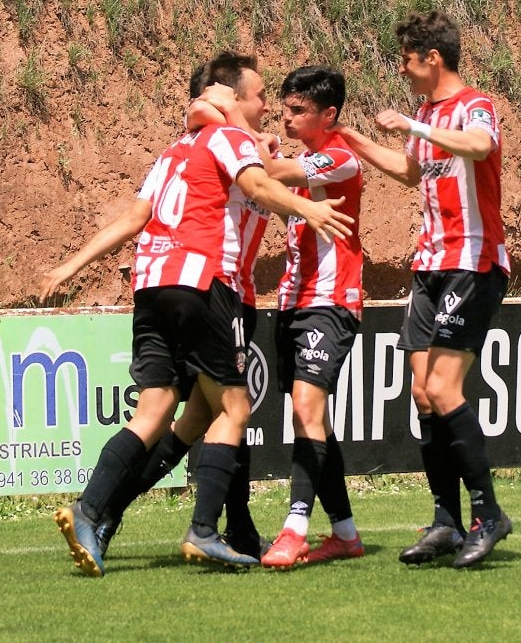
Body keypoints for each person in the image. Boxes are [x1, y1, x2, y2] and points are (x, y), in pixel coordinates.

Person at [46, 51, 353, 576]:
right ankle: (205, 528)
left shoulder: (175, 151)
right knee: (231, 410)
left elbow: (138, 215)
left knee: (173, 416)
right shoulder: (231, 142)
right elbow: (259, 183)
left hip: (154, 284)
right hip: (213, 287)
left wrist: (70, 266)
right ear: (229, 98)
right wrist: (310, 207)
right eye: (258, 96)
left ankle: (99, 510)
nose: (268, 107)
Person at [338, 10, 512, 569]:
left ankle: (488, 513)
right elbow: (412, 172)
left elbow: (482, 146)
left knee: (442, 388)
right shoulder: (426, 111)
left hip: (473, 260)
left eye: (408, 63)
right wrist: (356, 140)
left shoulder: (473, 104)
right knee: (421, 391)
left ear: (431, 59)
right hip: (432, 264)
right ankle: (446, 520)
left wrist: (413, 127)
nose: (405, 74)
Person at [232, 66, 367, 569]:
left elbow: (273, 176)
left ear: (328, 115)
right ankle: (347, 535)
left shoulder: (340, 158)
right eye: (283, 108)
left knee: (307, 408)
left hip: (330, 301)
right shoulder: (306, 155)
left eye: (297, 111)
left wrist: (243, 133)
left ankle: (294, 529)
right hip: (291, 302)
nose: (286, 118)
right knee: (314, 422)